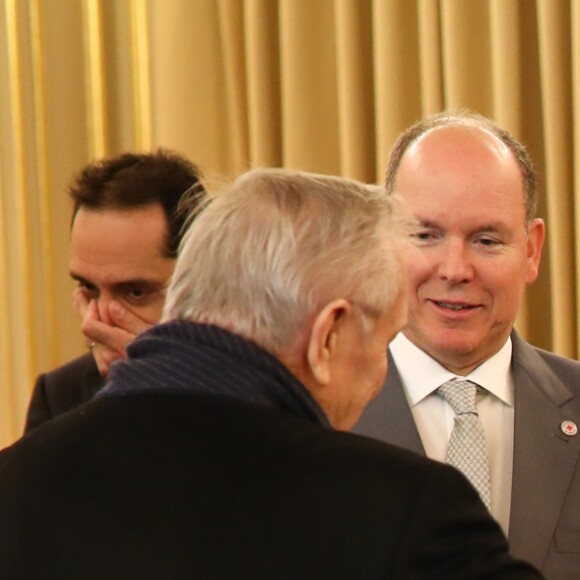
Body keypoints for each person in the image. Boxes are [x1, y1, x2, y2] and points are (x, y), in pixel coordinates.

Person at [0, 169, 541, 579]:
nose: (381, 374)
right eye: (382, 342)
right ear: (328, 336)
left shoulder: (16, 484)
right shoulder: (406, 510)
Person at [354, 110, 580, 579]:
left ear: (532, 250)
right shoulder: (311, 418)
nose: (455, 269)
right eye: (426, 235)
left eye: (486, 239)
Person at [24, 149, 206, 432]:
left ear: (201, 281)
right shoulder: (59, 396)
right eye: (90, 289)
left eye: (134, 292)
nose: (98, 322)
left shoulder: (263, 384)